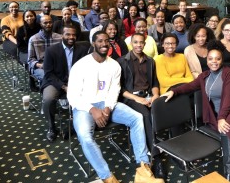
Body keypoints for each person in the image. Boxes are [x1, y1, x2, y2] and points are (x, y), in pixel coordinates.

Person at [67, 31, 164, 183]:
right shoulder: (81, 65)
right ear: (93, 43)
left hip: (107, 104)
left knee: (137, 118)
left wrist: (107, 108)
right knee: (85, 136)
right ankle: (107, 177)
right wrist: (92, 110)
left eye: (106, 41)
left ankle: (143, 168)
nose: (104, 44)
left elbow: (114, 90)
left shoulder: (114, 65)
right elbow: (72, 96)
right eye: (100, 41)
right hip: (84, 106)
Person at [162, 40, 230, 182]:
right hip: (220, 116)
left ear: (222, 60)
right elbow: (190, 86)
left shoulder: (229, 74)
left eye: (217, 59)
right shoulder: (204, 76)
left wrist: (221, 118)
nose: (214, 62)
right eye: (210, 59)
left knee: (227, 131)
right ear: (206, 60)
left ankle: (229, 177)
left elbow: (229, 98)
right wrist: (174, 92)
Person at [117, 33, 165, 179]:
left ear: (145, 44)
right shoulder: (122, 61)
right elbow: (120, 89)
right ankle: (157, 159)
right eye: (135, 42)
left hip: (148, 96)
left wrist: (155, 95)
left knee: (162, 108)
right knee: (145, 114)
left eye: (141, 43)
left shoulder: (150, 61)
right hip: (131, 98)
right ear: (131, 43)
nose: (138, 45)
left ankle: (166, 147)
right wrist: (137, 99)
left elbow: (155, 83)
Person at [41, 26, 89, 142]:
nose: (71, 37)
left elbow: (85, 69)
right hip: (55, 82)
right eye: (68, 34)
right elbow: (48, 73)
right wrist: (64, 86)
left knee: (87, 96)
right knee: (48, 99)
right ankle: (52, 127)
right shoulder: (51, 50)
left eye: (73, 35)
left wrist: (75, 85)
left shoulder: (82, 50)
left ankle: (74, 125)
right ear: (62, 35)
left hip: (75, 82)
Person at [28, 15, 62, 83]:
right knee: (48, 77)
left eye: (50, 22)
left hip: (56, 66)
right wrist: (42, 65)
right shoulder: (33, 39)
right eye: (45, 23)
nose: (48, 25)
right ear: (41, 24)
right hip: (40, 67)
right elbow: (30, 60)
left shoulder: (60, 38)